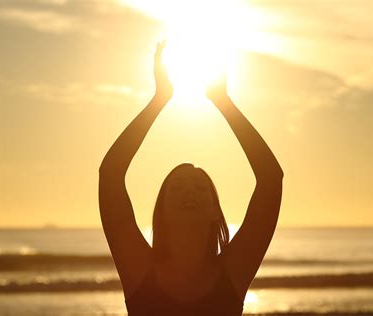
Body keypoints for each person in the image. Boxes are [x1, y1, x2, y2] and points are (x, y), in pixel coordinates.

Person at [99, 41, 284, 316]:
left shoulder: (232, 272)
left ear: (214, 210)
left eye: (200, 188)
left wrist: (223, 101)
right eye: (177, 187)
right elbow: (111, 174)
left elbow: (271, 178)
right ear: (160, 208)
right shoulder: (139, 269)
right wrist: (159, 98)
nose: (190, 192)